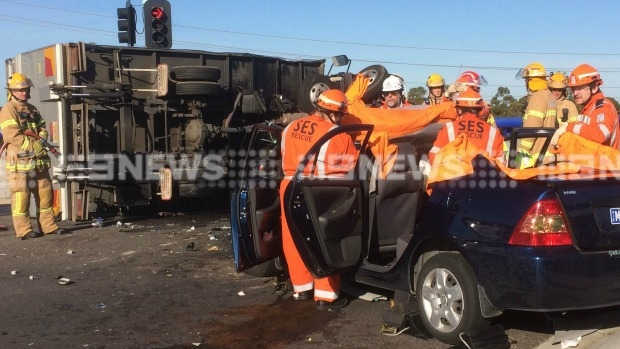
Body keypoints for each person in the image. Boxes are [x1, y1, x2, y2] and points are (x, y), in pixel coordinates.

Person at [280, 89, 354, 311]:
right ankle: (325, 296)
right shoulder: (337, 134)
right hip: (321, 191)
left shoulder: (290, 128)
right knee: (324, 241)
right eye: (341, 115)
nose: (341, 119)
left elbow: (283, 154)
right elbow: (350, 167)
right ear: (335, 113)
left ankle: (301, 289)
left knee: (294, 240)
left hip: (289, 186)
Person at [0, 73, 68, 240]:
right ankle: (23, 230)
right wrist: (33, 146)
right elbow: (11, 135)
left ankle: (49, 226)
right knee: (21, 195)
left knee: (45, 193)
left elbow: (42, 127)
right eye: (20, 90)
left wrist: (42, 139)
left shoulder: (32, 109)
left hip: (38, 161)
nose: (23, 92)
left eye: (25, 89)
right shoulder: (8, 109)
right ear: (12, 91)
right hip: (20, 161)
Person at [429, 89, 505, 165]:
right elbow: (501, 163)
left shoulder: (449, 128)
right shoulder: (494, 132)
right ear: (480, 110)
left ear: (459, 110)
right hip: (485, 175)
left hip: (453, 175)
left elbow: (434, 155)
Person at [557, 64, 619, 148]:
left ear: (594, 88)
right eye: (573, 89)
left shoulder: (603, 107)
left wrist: (570, 127)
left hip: (606, 160)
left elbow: (601, 134)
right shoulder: (589, 109)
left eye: (580, 88)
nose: (575, 93)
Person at [516, 62, 557, 168]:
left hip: (536, 158)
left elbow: (530, 130)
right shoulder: (550, 96)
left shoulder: (537, 97)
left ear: (531, 80)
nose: (525, 83)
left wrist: (521, 153)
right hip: (549, 155)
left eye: (526, 80)